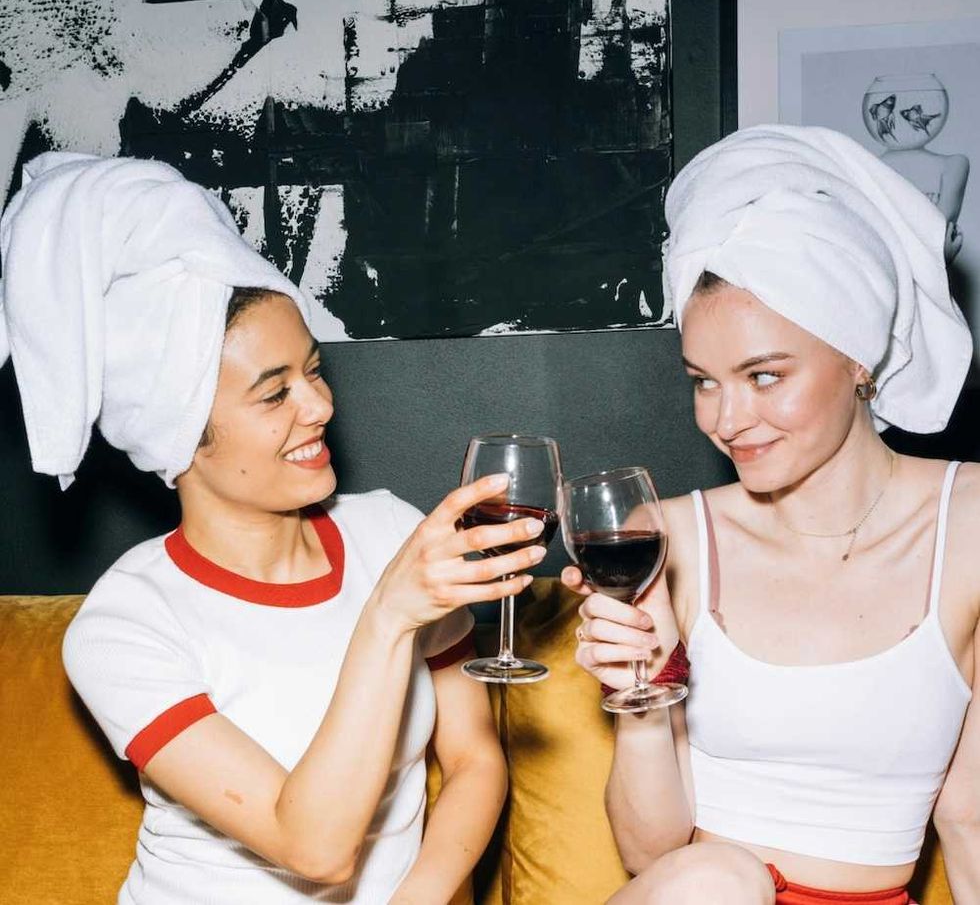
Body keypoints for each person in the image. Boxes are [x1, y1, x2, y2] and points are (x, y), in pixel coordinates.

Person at [0, 153, 542, 904]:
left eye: (313, 371)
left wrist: (421, 896)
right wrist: (387, 615)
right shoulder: (124, 625)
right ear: (183, 437)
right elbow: (313, 846)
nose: (318, 407)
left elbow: (475, 757)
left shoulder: (390, 532)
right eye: (273, 394)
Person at [562, 125, 980, 905]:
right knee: (713, 880)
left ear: (859, 356)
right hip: (698, 895)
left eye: (763, 375)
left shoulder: (971, 526)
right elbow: (648, 853)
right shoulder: (671, 537)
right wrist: (641, 697)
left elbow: (971, 821)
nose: (727, 420)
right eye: (705, 381)